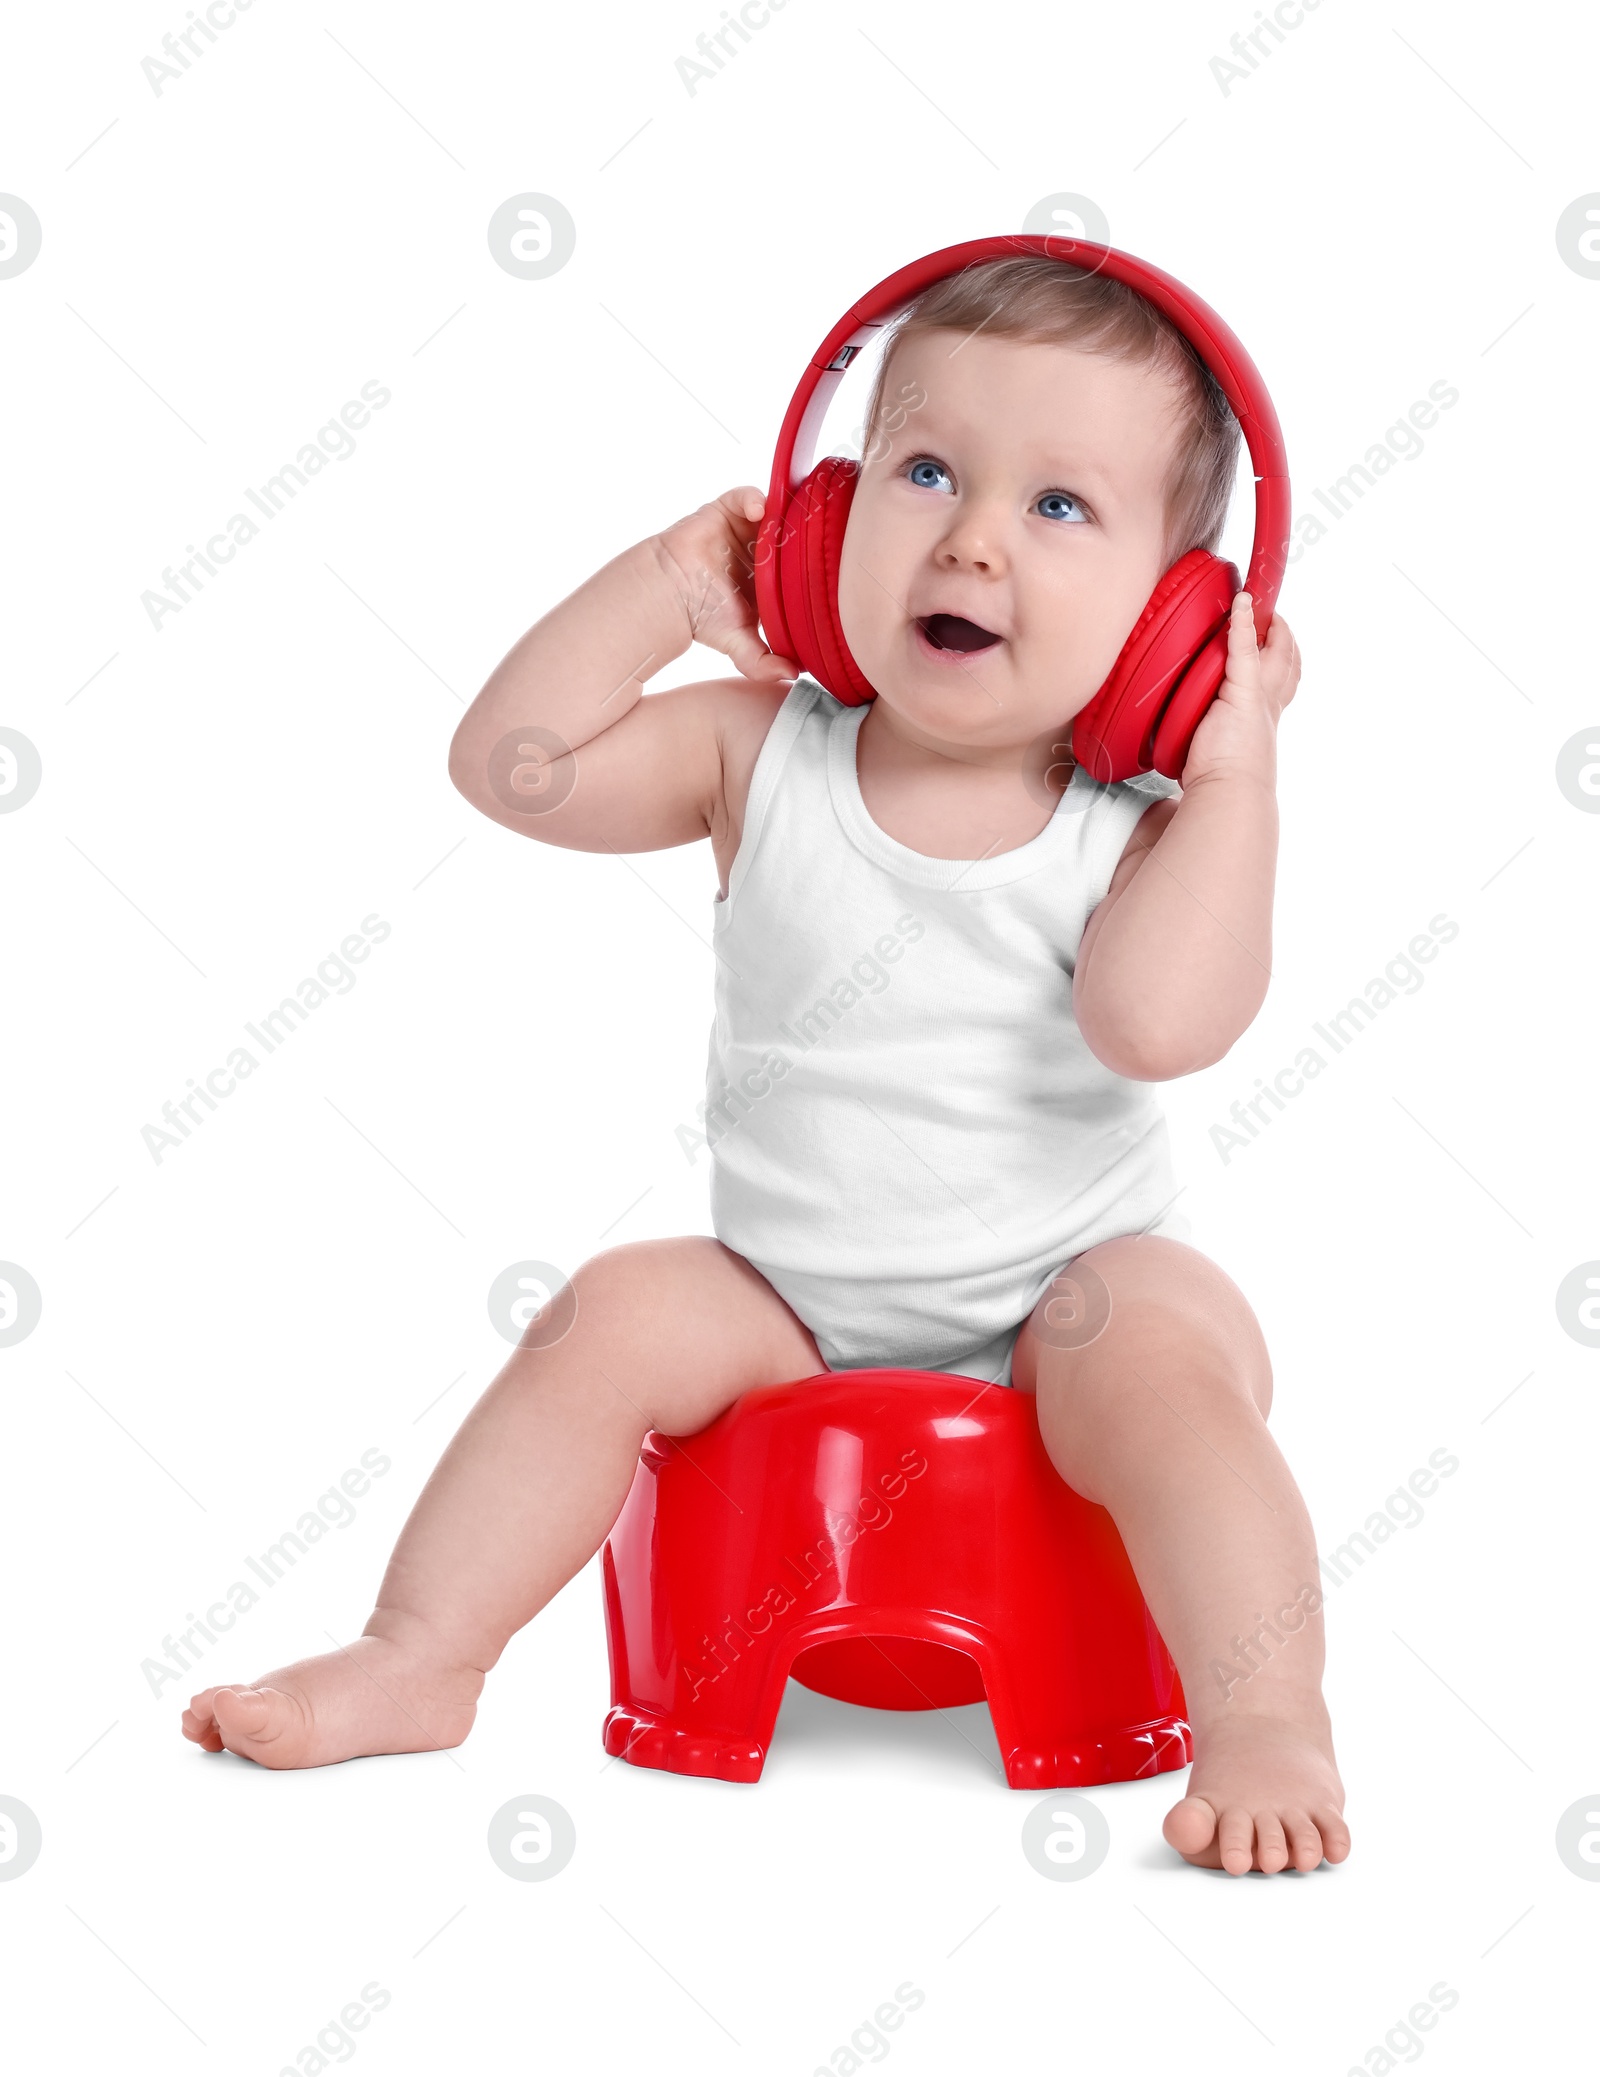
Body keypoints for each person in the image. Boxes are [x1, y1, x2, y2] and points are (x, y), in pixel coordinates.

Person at [183, 255, 1347, 1878]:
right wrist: (667, 582)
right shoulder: (758, 748)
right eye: (924, 469)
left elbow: (1157, 1025)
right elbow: (514, 769)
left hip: (1067, 1289)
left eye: (1063, 506)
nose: (972, 536)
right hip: (790, 1296)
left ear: (1174, 618)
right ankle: (420, 1652)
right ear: (819, 522)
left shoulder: (1127, 826)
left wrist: (1235, 778)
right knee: (606, 1315)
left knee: (1161, 1362)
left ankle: (1267, 1714)